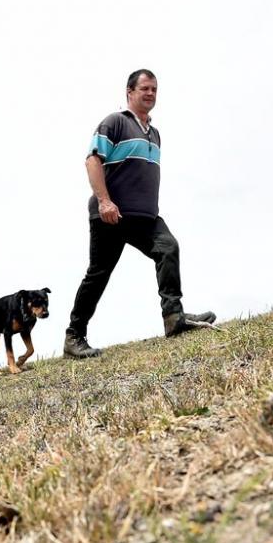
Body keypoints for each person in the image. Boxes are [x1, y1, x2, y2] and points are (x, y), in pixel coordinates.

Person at [63, 69, 216, 359]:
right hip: (112, 215)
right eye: (145, 88)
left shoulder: (155, 134)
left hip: (145, 217)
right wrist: (104, 201)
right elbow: (92, 161)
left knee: (168, 247)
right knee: (98, 274)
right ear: (129, 92)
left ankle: (174, 318)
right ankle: (74, 336)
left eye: (154, 89)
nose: (150, 94)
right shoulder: (115, 122)